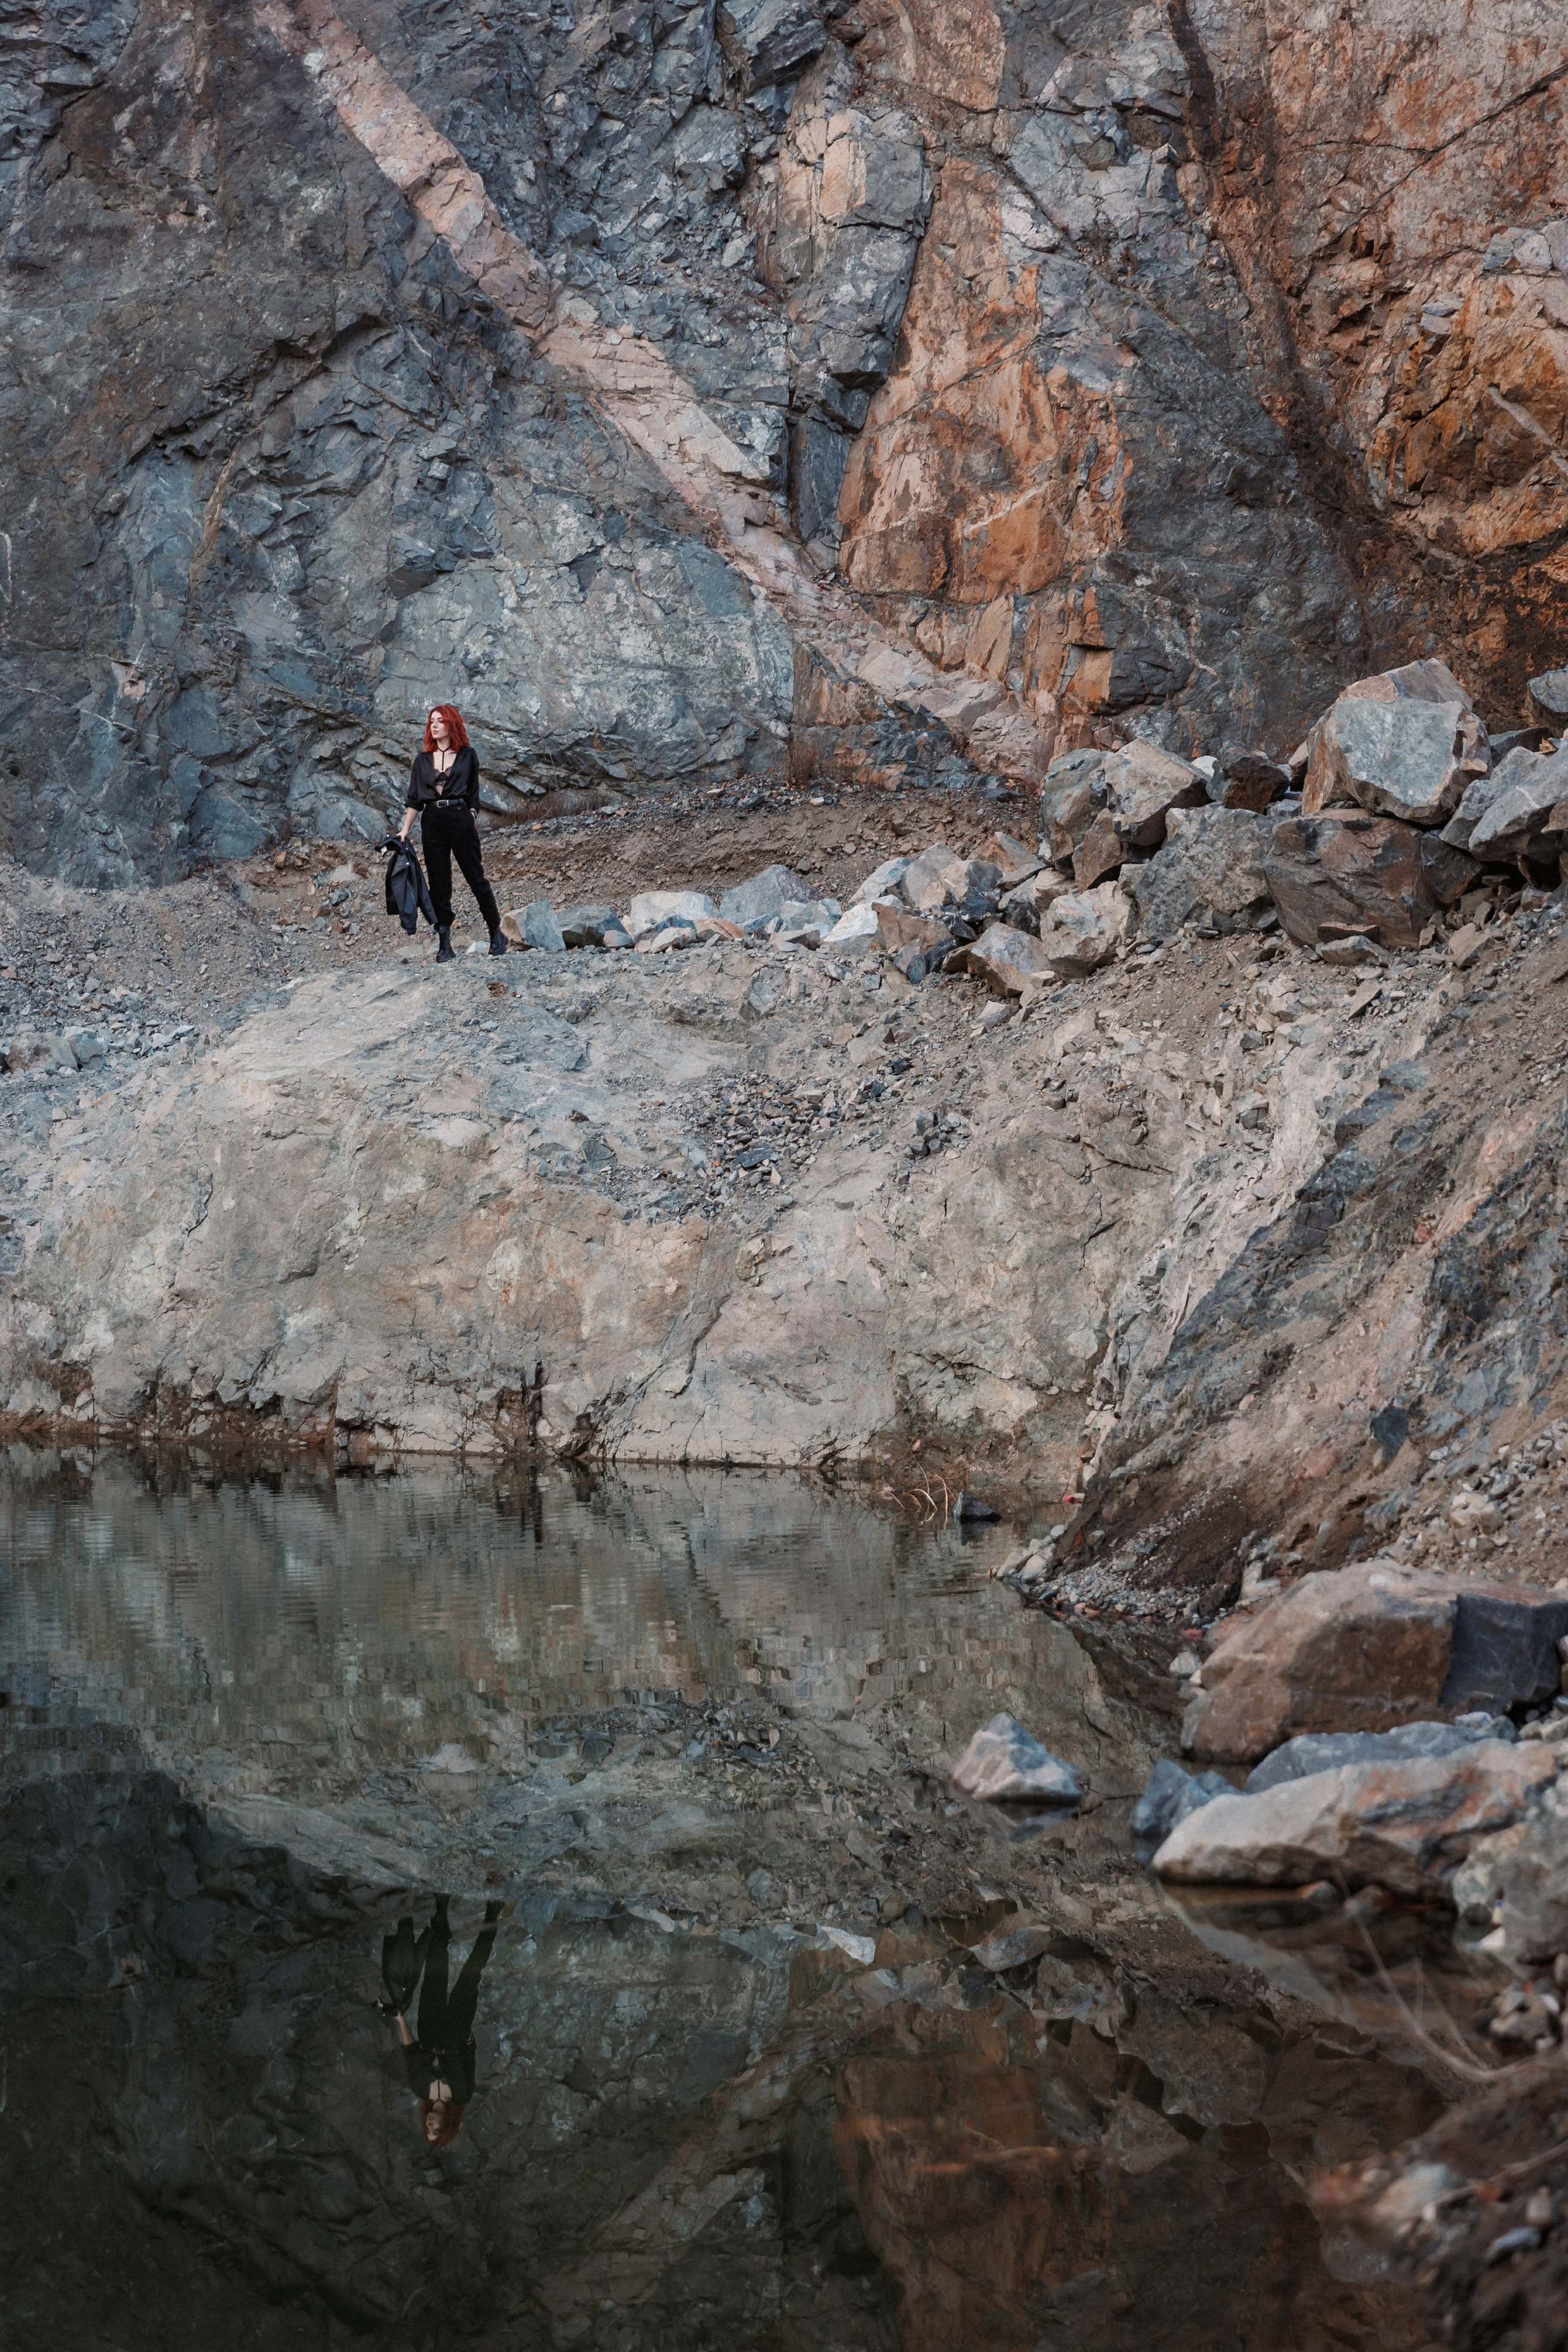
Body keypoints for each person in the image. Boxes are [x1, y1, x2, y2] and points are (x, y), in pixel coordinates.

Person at [380, 1893, 502, 2147]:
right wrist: (468, 2040)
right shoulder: (462, 2095)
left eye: (428, 2127)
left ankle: (442, 1908)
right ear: (447, 2125)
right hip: (457, 2032)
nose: (431, 2124)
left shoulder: (419, 2087)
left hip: (429, 2028)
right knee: (472, 1972)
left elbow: (409, 2051)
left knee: (436, 1967)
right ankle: (492, 1914)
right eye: (436, 2128)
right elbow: (470, 2060)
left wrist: (401, 2021)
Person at [399, 704, 506, 963]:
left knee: (475, 877)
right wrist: (404, 831)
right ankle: (444, 944)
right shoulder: (422, 761)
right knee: (439, 884)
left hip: (459, 818)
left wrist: (470, 816)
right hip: (432, 820)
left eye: (440, 721)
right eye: (431, 722)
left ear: (451, 725)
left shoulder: (468, 756)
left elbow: (474, 795)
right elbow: (414, 800)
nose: (434, 726)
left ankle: (496, 934)